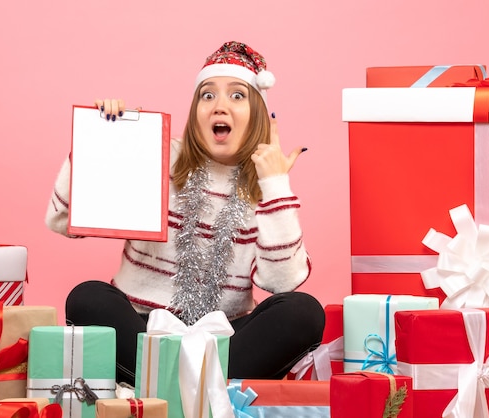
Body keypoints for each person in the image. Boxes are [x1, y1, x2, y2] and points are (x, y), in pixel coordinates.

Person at [45, 41, 325, 386]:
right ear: (195, 112)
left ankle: (166, 384)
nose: (220, 105)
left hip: (222, 339)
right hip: (143, 329)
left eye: (237, 96)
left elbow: (283, 283)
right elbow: (61, 218)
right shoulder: (159, 155)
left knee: (304, 312)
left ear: (257, 114)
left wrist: (275, 183)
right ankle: (195, 388)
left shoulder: (265, 186)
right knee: (87, 296)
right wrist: (105, 138)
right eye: (208, 96)